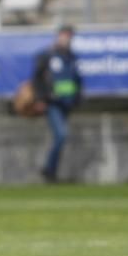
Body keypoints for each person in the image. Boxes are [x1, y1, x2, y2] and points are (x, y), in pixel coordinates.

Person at [32, 25, 81, 183]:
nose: (67, 39)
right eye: (64, 35)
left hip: (67, 103)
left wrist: (77, 97)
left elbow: (77, 80)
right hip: (52, 102)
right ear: (58, 36)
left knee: (60, 138)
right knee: (61, 135)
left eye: (69, 36)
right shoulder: (47, 55)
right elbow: (37, 78)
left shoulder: (72, 57)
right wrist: (40, 98)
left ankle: (52, 172)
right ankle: (48, 169)